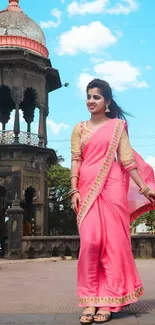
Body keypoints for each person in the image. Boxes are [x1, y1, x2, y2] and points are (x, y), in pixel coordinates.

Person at [69, 79, 155, 324]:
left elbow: (127, 160)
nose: (91, 101)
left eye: (96, 97)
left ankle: (108, 301)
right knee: (91, 243)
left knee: (114, 246)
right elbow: (76, 159)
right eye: (88, 96)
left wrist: (144, 187)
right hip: (86, 188)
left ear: (106, 102)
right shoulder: (79, 129)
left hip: (114, 186)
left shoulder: (118, 126)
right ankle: (89, 300)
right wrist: (73, 189)